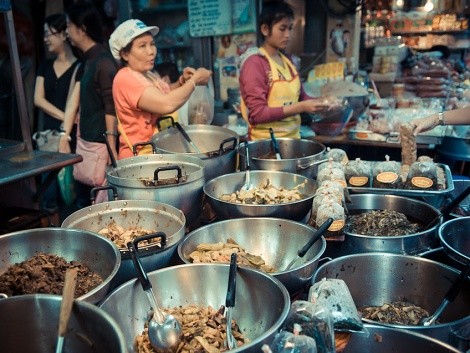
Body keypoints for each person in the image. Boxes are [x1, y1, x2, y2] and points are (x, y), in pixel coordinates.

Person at [109, 19, 212, 159]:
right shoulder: (125, 78)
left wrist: (182, 82)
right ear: (125, 54)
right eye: (142, 46)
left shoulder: (146, 74)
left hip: (154, 154)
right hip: (139, 159)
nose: (151, 51)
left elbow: (164, 93)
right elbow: (166, 103)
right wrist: (194, 81)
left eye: (152, 44)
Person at [238, 0, 328, 140]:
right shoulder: (255, 63)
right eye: (282, 28)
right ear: (265, 29)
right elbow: (258, 114)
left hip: (292, 142)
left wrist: (323, 103)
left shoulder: (288, 61)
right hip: (264, 147)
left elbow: (302, 97)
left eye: (290, 28)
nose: (288, 34)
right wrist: (301, 107)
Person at [59, 1, 118, 208]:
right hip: (89, 147)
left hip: (100, 150)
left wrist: (112, 150)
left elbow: (111, 107)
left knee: (97, 207)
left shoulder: (103, 62)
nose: (66, 31)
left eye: (68, 26)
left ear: (82, 29)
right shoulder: (89, 61)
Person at [33, 13, 81, 213]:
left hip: (71, 139)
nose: (45, 39)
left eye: (48, 34)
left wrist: (68, 122)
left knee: (71, 194)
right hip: (49, 140)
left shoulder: (80, 66)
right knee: (49, 195)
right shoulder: (45, 65)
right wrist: (66, 117)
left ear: (63, 34)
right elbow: (38, 100)